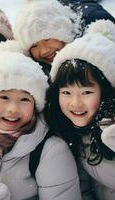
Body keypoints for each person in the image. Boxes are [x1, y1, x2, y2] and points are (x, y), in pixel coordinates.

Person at [0, 44, 81, 200]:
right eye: (4, 97)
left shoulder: (50, 149)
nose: (13, 109)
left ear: (35, 106)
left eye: (24, 99)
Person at [44, 19, 115, 200]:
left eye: (86, 92)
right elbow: (85, 188)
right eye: (67, 92)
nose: (75, 103)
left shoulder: (111, 130)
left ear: (106, 92)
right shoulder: (73, 131)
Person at [13, 0, 115, 75]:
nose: (44, 51)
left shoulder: (92, 28)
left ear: (62, 31)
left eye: (47, 39)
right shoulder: (38, 69)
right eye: (34, 46)